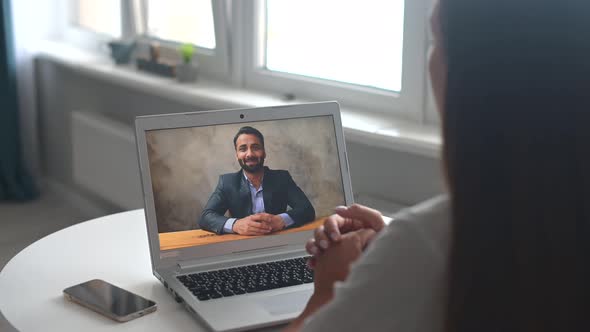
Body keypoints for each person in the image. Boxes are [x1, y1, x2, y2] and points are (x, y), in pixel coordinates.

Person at [286, 0, 590, 331]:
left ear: (476, 77)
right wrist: (394, 255)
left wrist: (328, 291)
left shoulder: (435, 243)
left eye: (436, 41)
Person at [199, 126, 315, 235]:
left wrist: (281, 220)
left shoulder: (282, 178)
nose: (250, 154)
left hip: (278, 242)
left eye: (256, 147)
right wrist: (236, 225)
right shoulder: (227, 182)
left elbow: (307, 209)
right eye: (243, 149)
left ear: (264, 152)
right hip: (241, 246)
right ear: (237, 155)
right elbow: (206, 217)